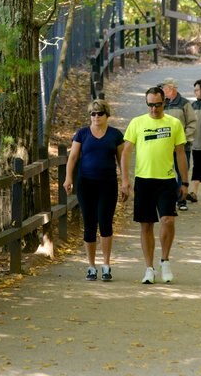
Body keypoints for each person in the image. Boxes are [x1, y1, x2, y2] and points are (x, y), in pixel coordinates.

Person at [120, 86, 189, 284]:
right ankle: (149, 268)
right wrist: (125, 181)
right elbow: (126, 152)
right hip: (144, 180)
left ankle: (165, 260)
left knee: (168, 220)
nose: (153, 109)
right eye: (150, 105)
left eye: (157, 105)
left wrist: (184, 182)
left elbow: (181, 153)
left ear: (164, 103)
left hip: (166, 180)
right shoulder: (137, 123)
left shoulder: (174, 124)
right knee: (146, 224)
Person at [63, 99, 126, 282]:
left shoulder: (115, 135)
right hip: (86, 183)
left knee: (105, 223)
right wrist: (68, 178)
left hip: (108, 183)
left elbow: (122, 161)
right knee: (89, 224)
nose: (96, 117)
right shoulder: (82, 134)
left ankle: (106, 265)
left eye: (100, 114)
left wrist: (125, 182)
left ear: (107, 115)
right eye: (93, 114)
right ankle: (91, 266)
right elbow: (73, 157)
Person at [160, 78, 196, 211]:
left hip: (182, 145)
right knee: (166, 172)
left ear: (171, 88)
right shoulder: (161, 103)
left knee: (182, 172)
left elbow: (192, 123)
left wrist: (184, 138)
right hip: (164, 145)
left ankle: (181, 200)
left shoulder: (185, 104)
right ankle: (169, 198)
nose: (162, 90)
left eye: (164, 88)